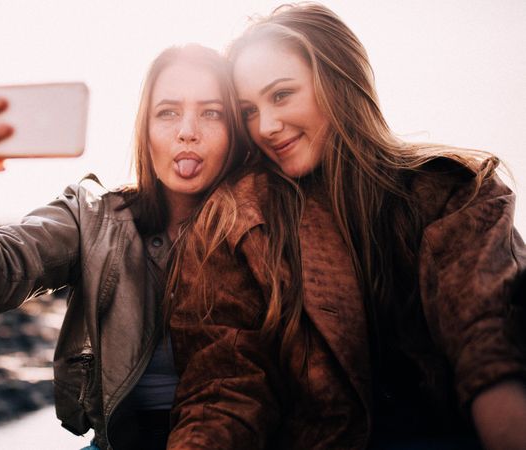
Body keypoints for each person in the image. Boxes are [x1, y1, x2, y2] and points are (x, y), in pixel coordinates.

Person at [167, 3, 526, 449]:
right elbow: (226, 388)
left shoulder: (452, 192)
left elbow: (487, 341)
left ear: (338, 80)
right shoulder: (239, 216)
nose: (267, 126)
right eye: (248, 111)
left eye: (281, 95)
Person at [0, 44, 250, 450]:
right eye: (168, 112)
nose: (187, 130)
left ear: (237, 130)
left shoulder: (268, 223)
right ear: (144, 129)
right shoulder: (94, 216)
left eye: (211, 112)